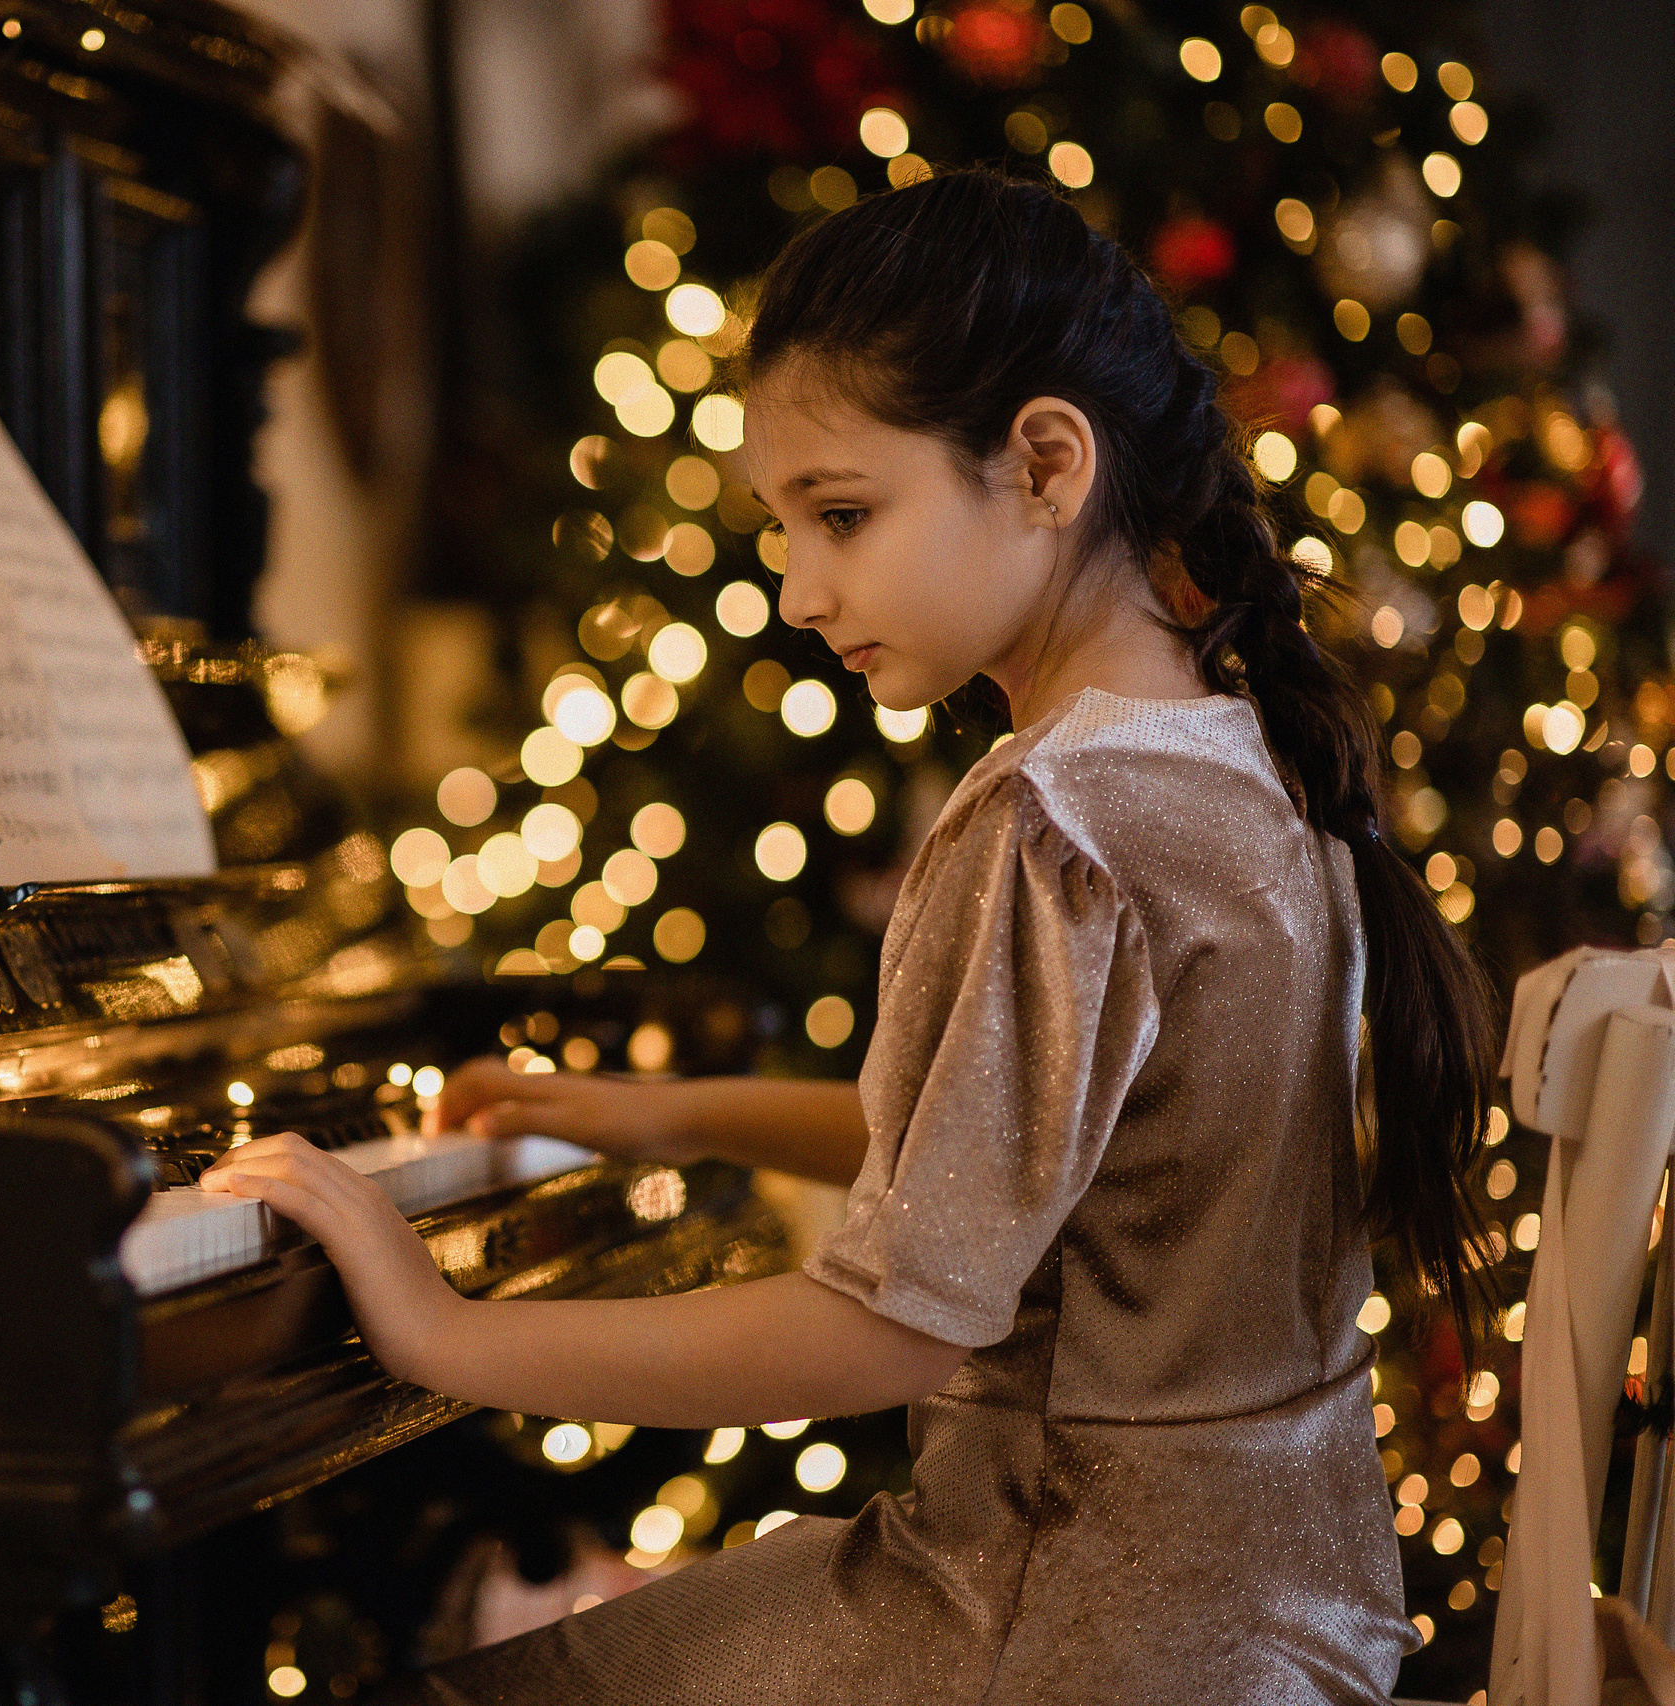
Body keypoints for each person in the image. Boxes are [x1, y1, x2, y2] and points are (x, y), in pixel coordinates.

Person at [201, 168, 1496, 1703]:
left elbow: (877, 1331)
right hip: (1279, 1606)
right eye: (779, 526)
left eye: (844, 514)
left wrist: (441, 1328)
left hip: (1061, 1620)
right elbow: (1031, 1171)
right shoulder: (1244, 762)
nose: (800, 589)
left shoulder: (1055, 821)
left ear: (1044, 464)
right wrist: (666, 1112)